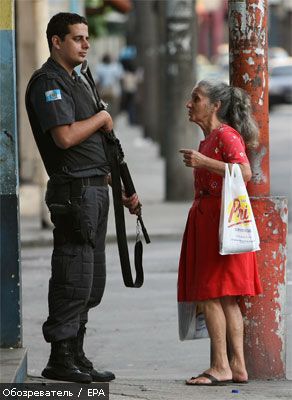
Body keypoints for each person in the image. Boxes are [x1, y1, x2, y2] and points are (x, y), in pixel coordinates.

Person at [25, 12, 139, 384]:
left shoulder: (81, 78)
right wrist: (102, 120)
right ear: (56, 41)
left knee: (91, 280)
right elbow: (65, 137)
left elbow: (91, 145)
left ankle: (77, 354)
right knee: (73, 275)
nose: (86, 45)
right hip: (73, 192)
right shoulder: (49, 82)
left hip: (94, 186)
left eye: (87, 38)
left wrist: (118, 184)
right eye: (77, 38)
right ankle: (60, 357)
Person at [178, 80, 262, 386]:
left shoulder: (225, 136)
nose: (190, 104)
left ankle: (220, 366)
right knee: (225, 299)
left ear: (215, 106)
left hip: (220, 222)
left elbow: (245, 172)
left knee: (212, 295)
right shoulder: (209, 139)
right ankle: (236, 366)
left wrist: (204, 162)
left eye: (196, 98)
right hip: (211, 220)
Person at [95, 53, 123, 119]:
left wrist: (96, 92)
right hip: (115, 91)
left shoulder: (99, 67)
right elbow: (120, 79)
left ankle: (105, 120)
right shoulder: (116, 67)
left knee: (104, 107)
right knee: (114, 109)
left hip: (103, 91)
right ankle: (113, 121)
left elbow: (97, 81)